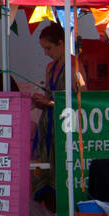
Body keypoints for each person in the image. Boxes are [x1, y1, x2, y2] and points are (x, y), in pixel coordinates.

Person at [31, 23, 86, 163]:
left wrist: (48, 103)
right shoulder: (50, 67)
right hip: (48, 123)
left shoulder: (75, 66)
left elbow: (82, 101)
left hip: (66, 126)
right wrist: (38, 102)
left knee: (62, 166)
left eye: (48, 48)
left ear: (61, 43)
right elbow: (48, 98)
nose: (46, 53)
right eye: (44, 49)